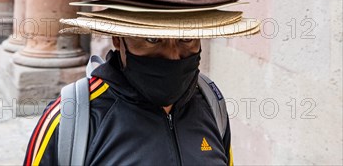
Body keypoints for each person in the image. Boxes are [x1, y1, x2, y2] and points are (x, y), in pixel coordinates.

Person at [23, 36, 233, 165]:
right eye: (152, 39)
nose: (172, 56)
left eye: (186, 38)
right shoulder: (71, 116)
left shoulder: (212, 104)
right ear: (117, 39)